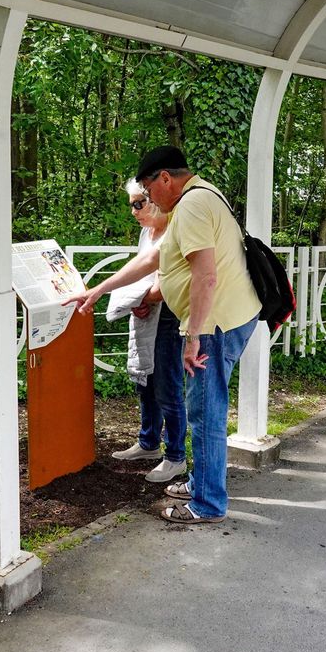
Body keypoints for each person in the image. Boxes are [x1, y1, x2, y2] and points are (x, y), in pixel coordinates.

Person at [66, 146, 259, 524]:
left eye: (147, 190)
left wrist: (193, 337)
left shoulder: (191, 206)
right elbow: (152, 259)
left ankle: (207, 504)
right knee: (205, 408)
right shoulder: (199, 196)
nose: (147, 199)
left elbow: (205, 276)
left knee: (206, 413)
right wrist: (99, 289)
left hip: (216, 325)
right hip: (227, 318)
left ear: (165, 178)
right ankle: (202, 482)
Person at [104, 180, 186, 483]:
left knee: (168, 385)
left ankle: (175, 456)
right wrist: (137, 301)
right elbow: (142, 272)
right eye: (132, 204)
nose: (135, 210)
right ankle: (149, 442)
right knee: (145, 381)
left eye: (140, 202)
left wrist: (141, 299)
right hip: (146, 313)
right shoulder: (146, 232)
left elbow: (172, 281)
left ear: (156, 198)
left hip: (170, 316)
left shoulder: (176, 229)